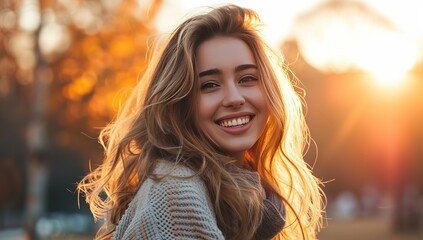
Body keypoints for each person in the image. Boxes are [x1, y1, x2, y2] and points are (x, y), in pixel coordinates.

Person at [78, 4, 325, 240]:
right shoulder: (176, 195)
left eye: (247, 78)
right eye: (209, 85)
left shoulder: (255, 197)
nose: (234, 98)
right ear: (179, 104)